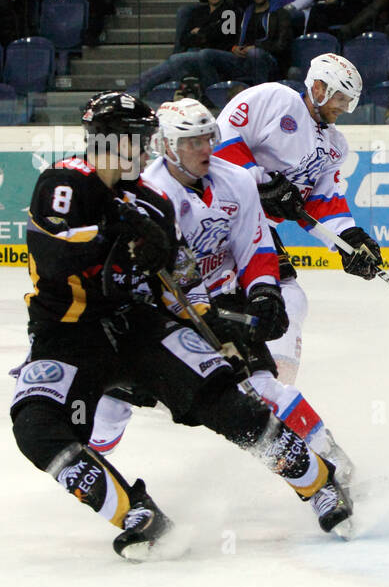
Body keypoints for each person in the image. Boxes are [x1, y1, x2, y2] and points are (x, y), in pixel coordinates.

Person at [9, 91, 352, 562]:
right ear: (111, 139)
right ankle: (137, 514)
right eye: (140, 139)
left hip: (136, 326)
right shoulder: (66, 182)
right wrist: (116, 232)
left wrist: (213, 323)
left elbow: (173, 283)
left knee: (224, 400)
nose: (148, 149)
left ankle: (317, 482)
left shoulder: (151, 201)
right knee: (34, 426)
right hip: (65, 335)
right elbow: (56, 253)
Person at [87, 98, 356, 482]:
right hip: (161, 317)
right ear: (166, 146)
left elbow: (256, 246)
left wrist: (264, 293)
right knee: (109, 407)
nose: (205, 149)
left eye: (207, 138)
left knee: (263, 389)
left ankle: (335, 469)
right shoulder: (148, 195)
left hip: (222, 302)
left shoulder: (237, 180)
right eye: (191, 142)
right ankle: (97, 482)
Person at [213, 54, 381, 383]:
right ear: (318, 87)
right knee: (270, 296)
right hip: (216, 210)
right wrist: (261, 181)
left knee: (288, 299)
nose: (344, 108)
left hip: (256, 229)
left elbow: (322, 201)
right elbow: (221, 138)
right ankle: (263, 382)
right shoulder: (275, 99)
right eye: (340, 98)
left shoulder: (334, 146)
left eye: (349, 101)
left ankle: (273, 384)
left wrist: (349, 240)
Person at [133, 0, 236, 95]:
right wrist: (207, 33)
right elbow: (184, 39)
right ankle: (136, 90)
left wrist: (201, 31)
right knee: (172, 63)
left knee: (175, 60)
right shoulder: (198, 12)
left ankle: (136, 91)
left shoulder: (230, 12)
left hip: (214, 55)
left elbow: (226, 39)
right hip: (194, 52)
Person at [198, 0, 294, 86]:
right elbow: (233, 38)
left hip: (267, 58)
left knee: (254, 54)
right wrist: (234, 48)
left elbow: (282, 45)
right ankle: (213, 97)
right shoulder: (245, 13)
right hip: (242, 58)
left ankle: (260, 96)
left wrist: (257, 46)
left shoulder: (280, 13)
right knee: (205, 55)